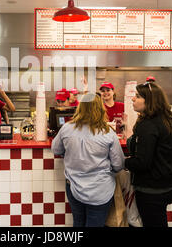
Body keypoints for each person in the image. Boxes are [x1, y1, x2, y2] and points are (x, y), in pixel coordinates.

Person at [51, 93, 125, 227]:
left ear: (80, 108)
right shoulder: (108, 132)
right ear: (100, 108)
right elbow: (118, 165)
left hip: (74, 186)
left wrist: (70, 153)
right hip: (101, 188)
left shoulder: (67, 128)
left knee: (78, 222)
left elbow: (56, 150)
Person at [125, 82, 172, 227]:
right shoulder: (165, 119)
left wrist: (122, 162)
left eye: (137, 96)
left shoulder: (148, 125)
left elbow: (143, 163)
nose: (133, 99)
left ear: (149, 100)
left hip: (152, 190)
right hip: (168, 186)